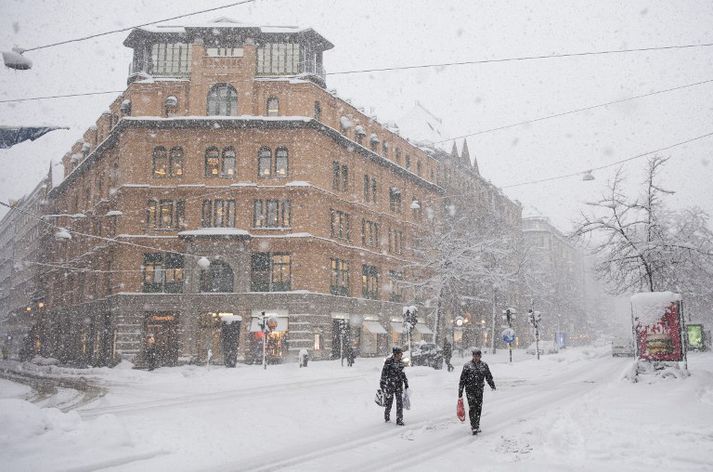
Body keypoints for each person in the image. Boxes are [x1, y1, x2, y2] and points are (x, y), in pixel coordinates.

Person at [458, 349, 495, 435]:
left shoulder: (484, 365)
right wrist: (460, 392)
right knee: (472, 407)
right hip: (470, 390)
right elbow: (462, 380)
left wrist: (492, 386)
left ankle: (477, 425)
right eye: (474, 356)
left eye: (477, 356)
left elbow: (488, 377)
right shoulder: (467, 366)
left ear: (480, 356)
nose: (476, 358)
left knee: (479, 408)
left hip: (479, 390)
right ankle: (473, 426)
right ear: (472, 356)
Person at [380, 346, 409, 425]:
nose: (401, 355)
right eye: (400, 353)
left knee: (400, 403)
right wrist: (382, 384)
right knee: (389, 402)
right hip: (390, 385)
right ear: (395, 354)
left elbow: (403, 373)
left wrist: (406, 383)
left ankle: (399, 420)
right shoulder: (388, 361)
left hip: (399, 385)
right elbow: (384, 373)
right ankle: (387, 417)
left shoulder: (401, 362)